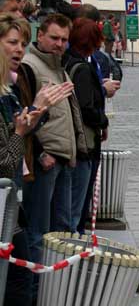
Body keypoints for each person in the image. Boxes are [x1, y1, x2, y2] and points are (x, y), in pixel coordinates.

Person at [0, 35, 74, 306]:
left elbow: (24, 133)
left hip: (11, 202)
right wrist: (21, 128)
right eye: (12, 42)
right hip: (6, 201)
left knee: (19, 275)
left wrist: (37, 112)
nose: (18, 49)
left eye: (22, 43)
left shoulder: (8, 90)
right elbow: (5, 161)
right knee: (18, 278)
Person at [18, 14, 88, 264]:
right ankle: (37, 284)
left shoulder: (59, 68)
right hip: (45, 161)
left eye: (64, 40)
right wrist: (40, 153)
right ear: (40, 35)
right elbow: (24, 114)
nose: (59, 44)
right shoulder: (30, 66)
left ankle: (58, 282)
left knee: (62, 230)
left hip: (64, 158)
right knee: (38, 229)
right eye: (54, 38)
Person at [63, 19, 109, 233]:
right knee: (78, 204)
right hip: (84, 142)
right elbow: (86, 107)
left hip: (71, 139)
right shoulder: (82, 68)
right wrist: (103, 120)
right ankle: (75, 241)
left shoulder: (66, 61)